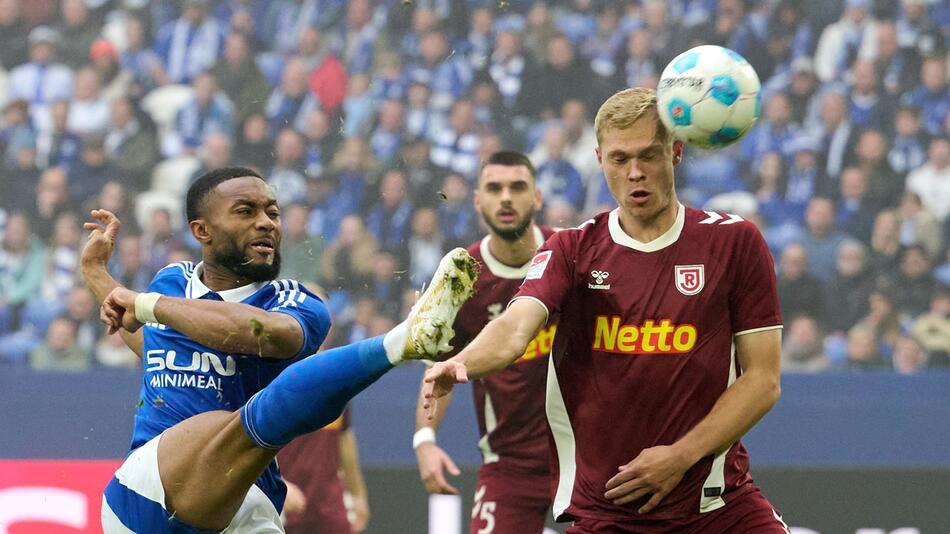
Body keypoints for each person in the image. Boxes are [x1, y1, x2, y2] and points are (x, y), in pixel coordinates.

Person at [423, 88, 789, 532]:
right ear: (599, 160)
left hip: (717, 507)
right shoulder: (573, 250)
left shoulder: (735, 243)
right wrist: (462, 361)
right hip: (609, 515)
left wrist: (681, 456)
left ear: (675, 152)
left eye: (648, 156)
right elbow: (515, 326)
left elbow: (763, 380)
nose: (635, 173)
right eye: (619, 159)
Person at [81, 167, 478, 533]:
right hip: (149, 495)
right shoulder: (171, 281)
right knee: (233, 420)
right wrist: (96, 274)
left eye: (273, 212)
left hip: (248, 509)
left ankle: (403, 340)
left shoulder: (297, 303)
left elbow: (264, 335)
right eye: (246, 211)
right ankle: (400, 342)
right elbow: (153, 345)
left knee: (249, 417)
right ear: (202, 231)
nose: (266, 222)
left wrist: (146, 305)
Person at [414, 151, 556, 533]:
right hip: (509, 463)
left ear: (537, 197)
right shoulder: (463, 278)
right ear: (478, 200)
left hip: (587, 456)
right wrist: (425, 440)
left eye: (517, 187)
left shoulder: (570, 255)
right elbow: (438, 369)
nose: (506, 197)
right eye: (494, 188)